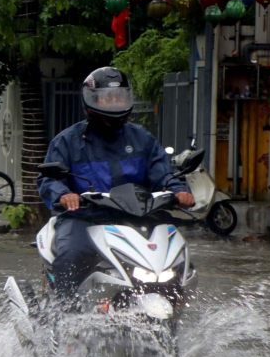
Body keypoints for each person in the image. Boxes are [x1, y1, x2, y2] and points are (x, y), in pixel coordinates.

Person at [37, 66, 195, 301]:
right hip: (85, 217)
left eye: (119, 97)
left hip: (138, 215)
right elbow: (49, 178)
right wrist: (64, 194)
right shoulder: (68, 141)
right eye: (107, 98)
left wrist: (179, 190)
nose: (113, 103)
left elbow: (162, 171)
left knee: (175, 255)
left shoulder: (141, 138)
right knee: (72, 254)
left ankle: (175, 306)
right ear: (91, 101)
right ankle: (61, 312)